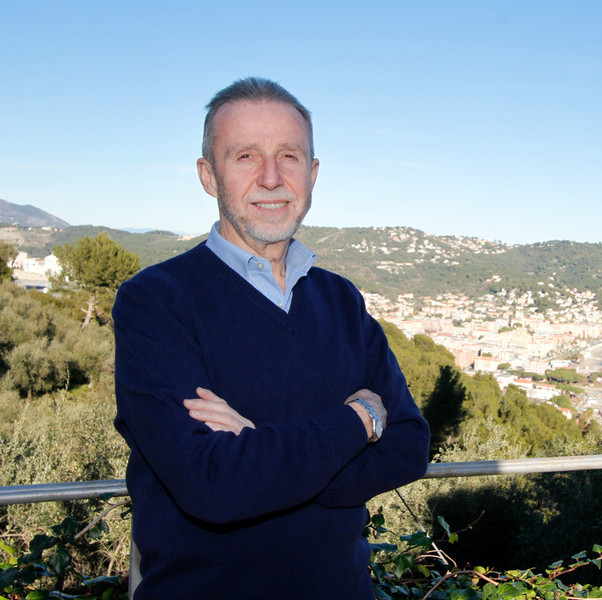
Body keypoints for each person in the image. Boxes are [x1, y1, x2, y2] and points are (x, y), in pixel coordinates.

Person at [113, 77, 430, 599]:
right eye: (245, 157)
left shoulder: (340, 299)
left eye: (289, 156)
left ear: (313, 173)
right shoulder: (156, 301)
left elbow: (409, 447)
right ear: (208, 176)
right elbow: (213, 485)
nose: (271, 178)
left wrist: (259, 447)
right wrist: (359, 420)